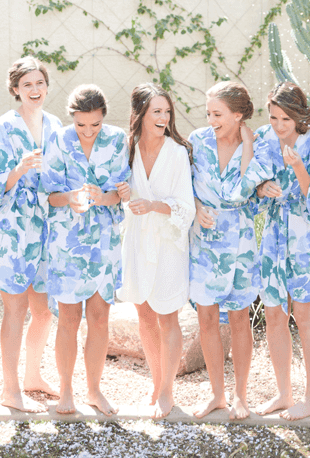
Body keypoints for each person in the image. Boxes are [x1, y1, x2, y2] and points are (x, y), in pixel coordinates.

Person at [0, 56, 61, 411]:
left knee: (44, 311)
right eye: (27, 84)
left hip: (47, 227)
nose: (35, 89)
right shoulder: (5, 126)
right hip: (13, 227)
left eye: (39, 82)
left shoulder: (56, 124)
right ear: (15, 89)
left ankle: (32, 375)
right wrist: (20, 168)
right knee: (15, 309)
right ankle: (10, 390)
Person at [42, 84, 130, 417]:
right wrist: (71, 197)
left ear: (103, 118)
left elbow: (120, 193)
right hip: (66, 242)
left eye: (94, 125)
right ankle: (66, 393)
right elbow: (50, 195)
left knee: (99, 317)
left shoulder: (118, 140)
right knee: (68, 318)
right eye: (81, 125)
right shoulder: (58, 140)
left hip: (104, 242)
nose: (88, 132)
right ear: (73, 119)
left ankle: (94, 391)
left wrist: (104, 196)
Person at [253, 82, 310, 420]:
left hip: (308, 235)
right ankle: (283, 393)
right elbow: (253, 180)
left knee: (305, 316)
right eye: (273, 117)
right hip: (276, 232)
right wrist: (262, 187)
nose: (278, 126)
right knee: (275, 313)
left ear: (299, 115)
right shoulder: (264, 137)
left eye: (285, 119)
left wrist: (299, 167)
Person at [189, 81, 273, 420]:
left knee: (240, 319)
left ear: (238, 115)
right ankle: (216, 395)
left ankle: (241, 397)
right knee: (207, 318)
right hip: (204, 240)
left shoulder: (258, 144)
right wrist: (195, 207)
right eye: (209, 113)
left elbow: (242, 191)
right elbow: (183, 185)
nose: (211, 120)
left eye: (218, 114)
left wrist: (249, 145)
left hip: (238, 242)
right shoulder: (197, 142)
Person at [116, 84, 194, 419]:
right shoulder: (127, 148)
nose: (163, 118)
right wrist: (122, 193)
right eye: (156, 112)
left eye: (166, 112)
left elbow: (185, 207)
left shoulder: (177, 153)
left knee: (167, 315)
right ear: (139, 115)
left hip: (167, 242)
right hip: (136, 239)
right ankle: (156, 379)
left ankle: (167, 391)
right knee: (144, 314)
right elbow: (121, 192)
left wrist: (154, 205)